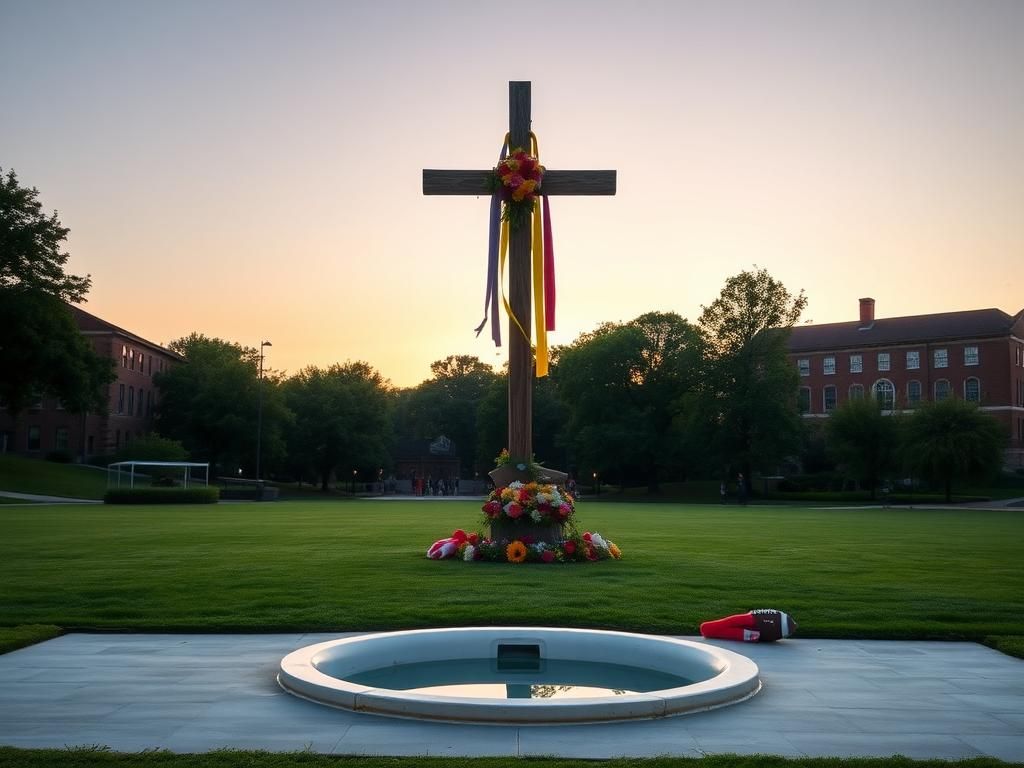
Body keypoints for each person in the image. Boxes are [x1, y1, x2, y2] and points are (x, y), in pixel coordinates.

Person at [700, 609, 798, 642]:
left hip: (756, 620)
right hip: (761, 631)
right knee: (709, 629)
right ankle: (708, 631)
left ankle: (707, 630)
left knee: (707, 628)